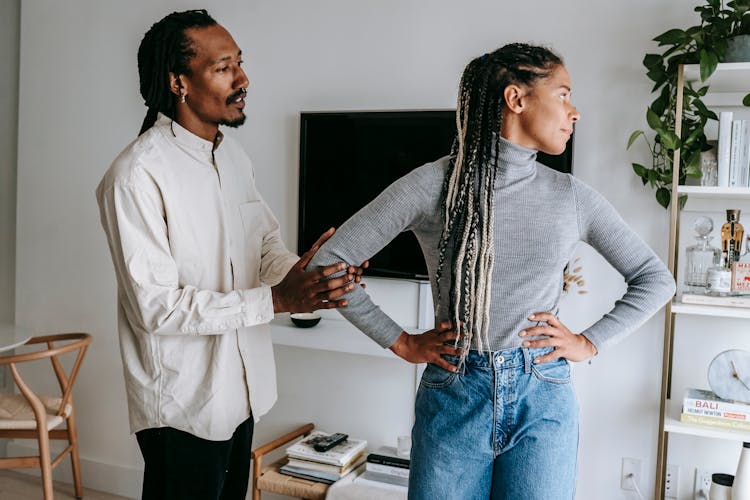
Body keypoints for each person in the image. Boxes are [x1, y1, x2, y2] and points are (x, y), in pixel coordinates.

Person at [308, 43, 676, 499]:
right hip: (455, 391)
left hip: (542, 396)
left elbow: (656, 279)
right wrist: (401, 341)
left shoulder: (571, 196)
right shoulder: (433, 184)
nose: (574, 111)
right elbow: (328, 262)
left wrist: (588, 342)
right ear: (516, 99)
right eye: (563, 94)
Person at [96, 10, 363, 500]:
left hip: (242, 394)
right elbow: (157, 308)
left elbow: (263, 249)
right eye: (224, 67)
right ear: (179, 82)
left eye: (240, 64)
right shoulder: (135, 176)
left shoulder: (235, 158)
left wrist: (313, 274)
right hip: (183, 406)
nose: (243, 79)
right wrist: (279, 301)